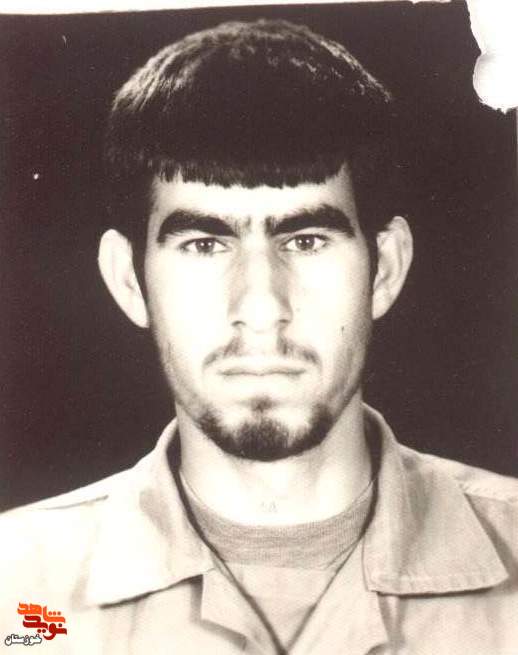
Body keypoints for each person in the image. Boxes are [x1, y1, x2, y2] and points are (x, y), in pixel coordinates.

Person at [1, 18, 517, 655]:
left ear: (384, 270)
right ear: (129, 281)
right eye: (204, 243)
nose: (262, 307)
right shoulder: (13, 589)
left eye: (306, 240)